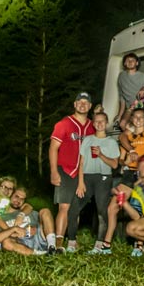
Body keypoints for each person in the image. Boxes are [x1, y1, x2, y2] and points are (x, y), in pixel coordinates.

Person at [50, 91, 94, 252]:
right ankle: (59, 244)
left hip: (83, 173)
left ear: (90, 106)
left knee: (76, 209)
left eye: (86, 102)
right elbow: (53, 148)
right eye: (79, 102)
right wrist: (54, 171)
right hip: (66, 170)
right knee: (64, 207)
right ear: (75, 104)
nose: (82, 104)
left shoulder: (92, 127)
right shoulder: (64, 123)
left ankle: (72, 242)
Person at [77, 111, 120, 255]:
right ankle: (70, 240)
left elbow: (114, 165)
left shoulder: (112, 142)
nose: (100, 124)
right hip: (88, 178)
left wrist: (101, 154)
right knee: (75, 207)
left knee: (102, 211)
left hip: (104, 178)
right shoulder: (87, 140)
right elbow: (81, 162)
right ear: (93, 123)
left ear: (106, 122)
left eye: (103, 121)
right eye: (97, 121)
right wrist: (80, 181)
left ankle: (100, 245)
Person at [0, 186, 57, 255]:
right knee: (6, 243)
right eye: (16, 197)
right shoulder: (1, 216)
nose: (18, 201)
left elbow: (46, 223)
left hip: (38, 237)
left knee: (45, 211)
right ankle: (41, 254)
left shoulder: (26, 210)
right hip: (21, 242)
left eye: (22, 199)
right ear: (10, 196)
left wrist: (21, 215)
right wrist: (19, 233)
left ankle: (52, 246)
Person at [117, 107, 144, 188]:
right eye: (135, 117)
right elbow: (121, 160)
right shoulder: (127, 137)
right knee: (123, 197)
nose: (138, 119)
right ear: (132, 119)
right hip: (128, 172)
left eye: (141, 117)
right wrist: (124, 163)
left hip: (143, 172)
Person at [115, 53, 144, 131]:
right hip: (131, 107)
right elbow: (122, 97)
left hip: (142, 105)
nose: (130, 62)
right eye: (128, 60)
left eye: (132, 60)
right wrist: (119, 115)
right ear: (125, 63)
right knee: (122, 124)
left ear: (137, 63)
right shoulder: (121, 76)